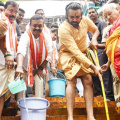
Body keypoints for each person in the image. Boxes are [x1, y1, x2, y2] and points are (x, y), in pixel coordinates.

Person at [58, 2, 102, 120]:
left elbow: (96, 30)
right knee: (71, 81)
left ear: (81, 15)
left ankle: (90, 116)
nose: (75, 19)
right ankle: (70, 117)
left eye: (77, 17)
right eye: (72, 17)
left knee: (88, 80)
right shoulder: (62, 29)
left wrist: (93, 39)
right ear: (67, 16)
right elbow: (75, 52)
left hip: (83, 53)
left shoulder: (85, 20)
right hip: (68, 54)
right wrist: (93, 67)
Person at [15, 14, 52, 100]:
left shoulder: (46, 37)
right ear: (30, 25)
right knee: (21, 88)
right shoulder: (25, 36)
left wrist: (40, 68)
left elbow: (49, 55)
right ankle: (20, 110)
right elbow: (21, 51)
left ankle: (39, 109)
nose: (37, 28)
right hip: (24, 67)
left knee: (39, 82)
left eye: (40, 26)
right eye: (34, 25)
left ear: (43, 26)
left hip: (38, 67)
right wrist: (19, 67)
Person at [87, 7, 114, 101]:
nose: (91, 14)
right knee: (93, 72)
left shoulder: (101, 23)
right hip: (91, 51)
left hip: (101, 50)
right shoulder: (88, 26)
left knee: (104, 72)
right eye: (89, 13)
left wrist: (96, 45)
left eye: (93, 12)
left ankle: (109, 95)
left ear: (96, 13)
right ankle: (100, 92)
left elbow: (107, 42)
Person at [0, 1, 19, 119]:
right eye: (11, 10)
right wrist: (7, 54)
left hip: (6, 64)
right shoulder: (2, 20)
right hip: (2, 61)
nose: (13, 14)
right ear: (5, 10)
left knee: (1, 94)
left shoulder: (12, 23)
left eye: (15, 12)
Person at [102, 3, 120, 107]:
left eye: (110, 14)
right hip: (114, 60)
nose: (108, 18)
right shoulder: (110, 29)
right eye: (106, 17)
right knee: (116, 80)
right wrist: (108, 63)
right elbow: (111, 48)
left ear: (117, 9)